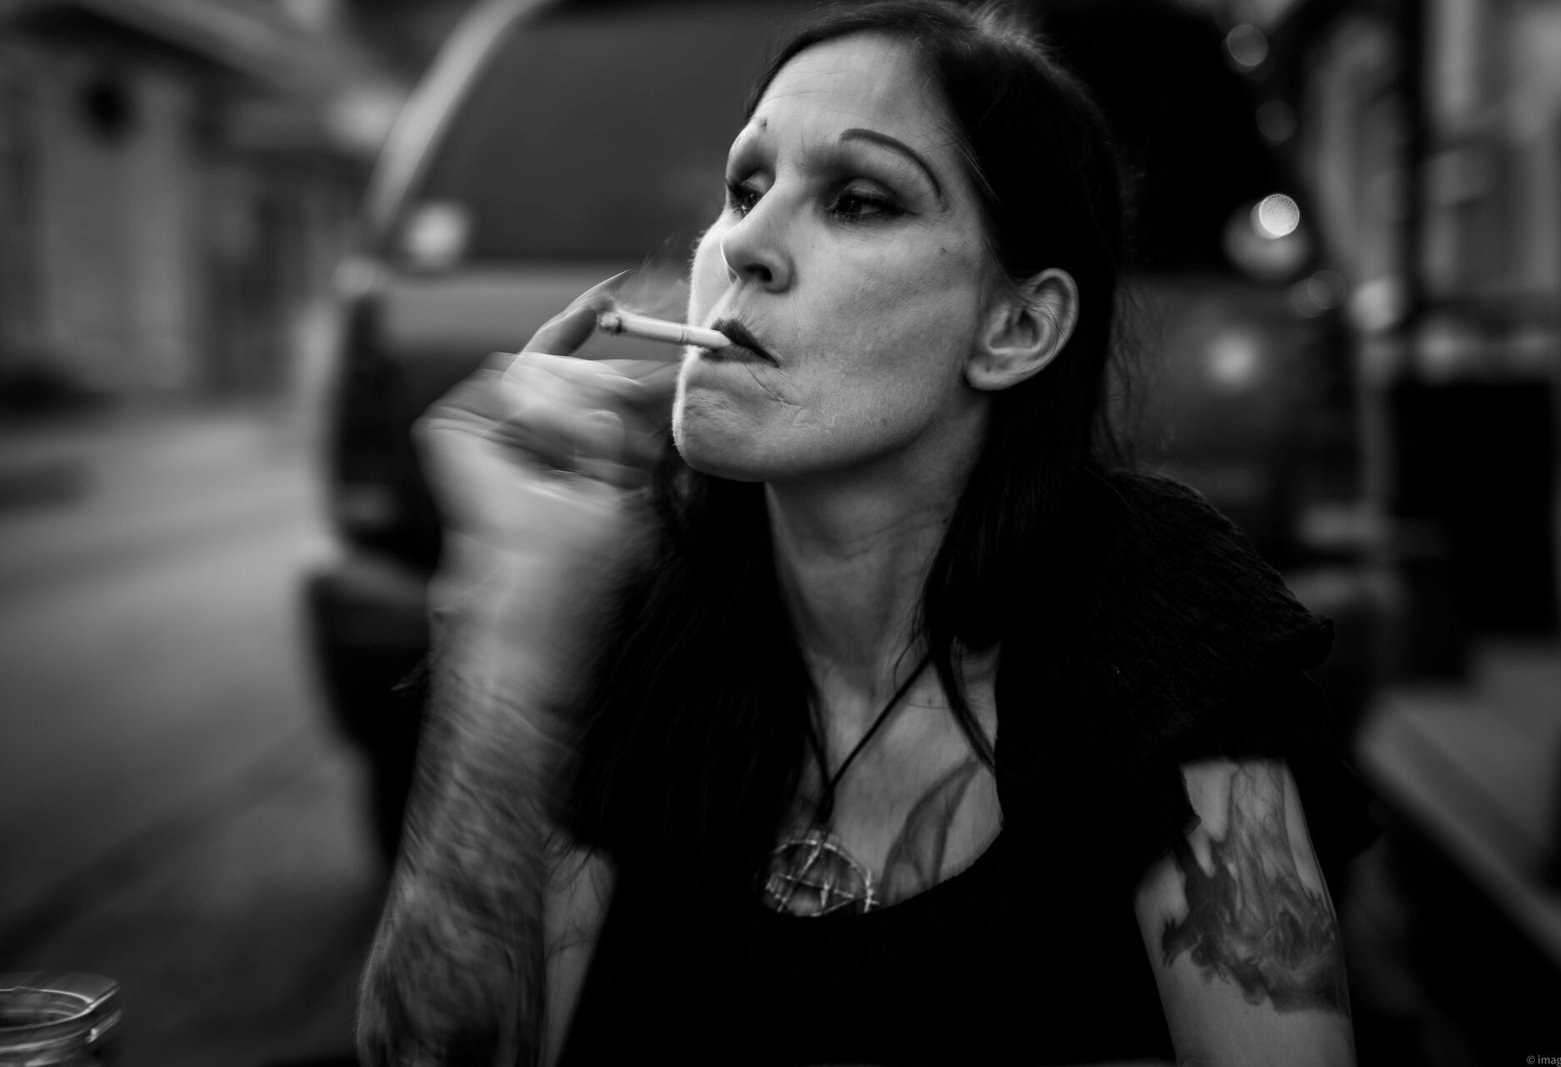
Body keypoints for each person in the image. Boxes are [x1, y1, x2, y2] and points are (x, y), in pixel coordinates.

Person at [356, 1, 1381, 1064]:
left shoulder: (1156, 615)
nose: (743, 244)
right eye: (745, 187)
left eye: (856, 199)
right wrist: (509, 610)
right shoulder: (628, 616)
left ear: (1016, 327)